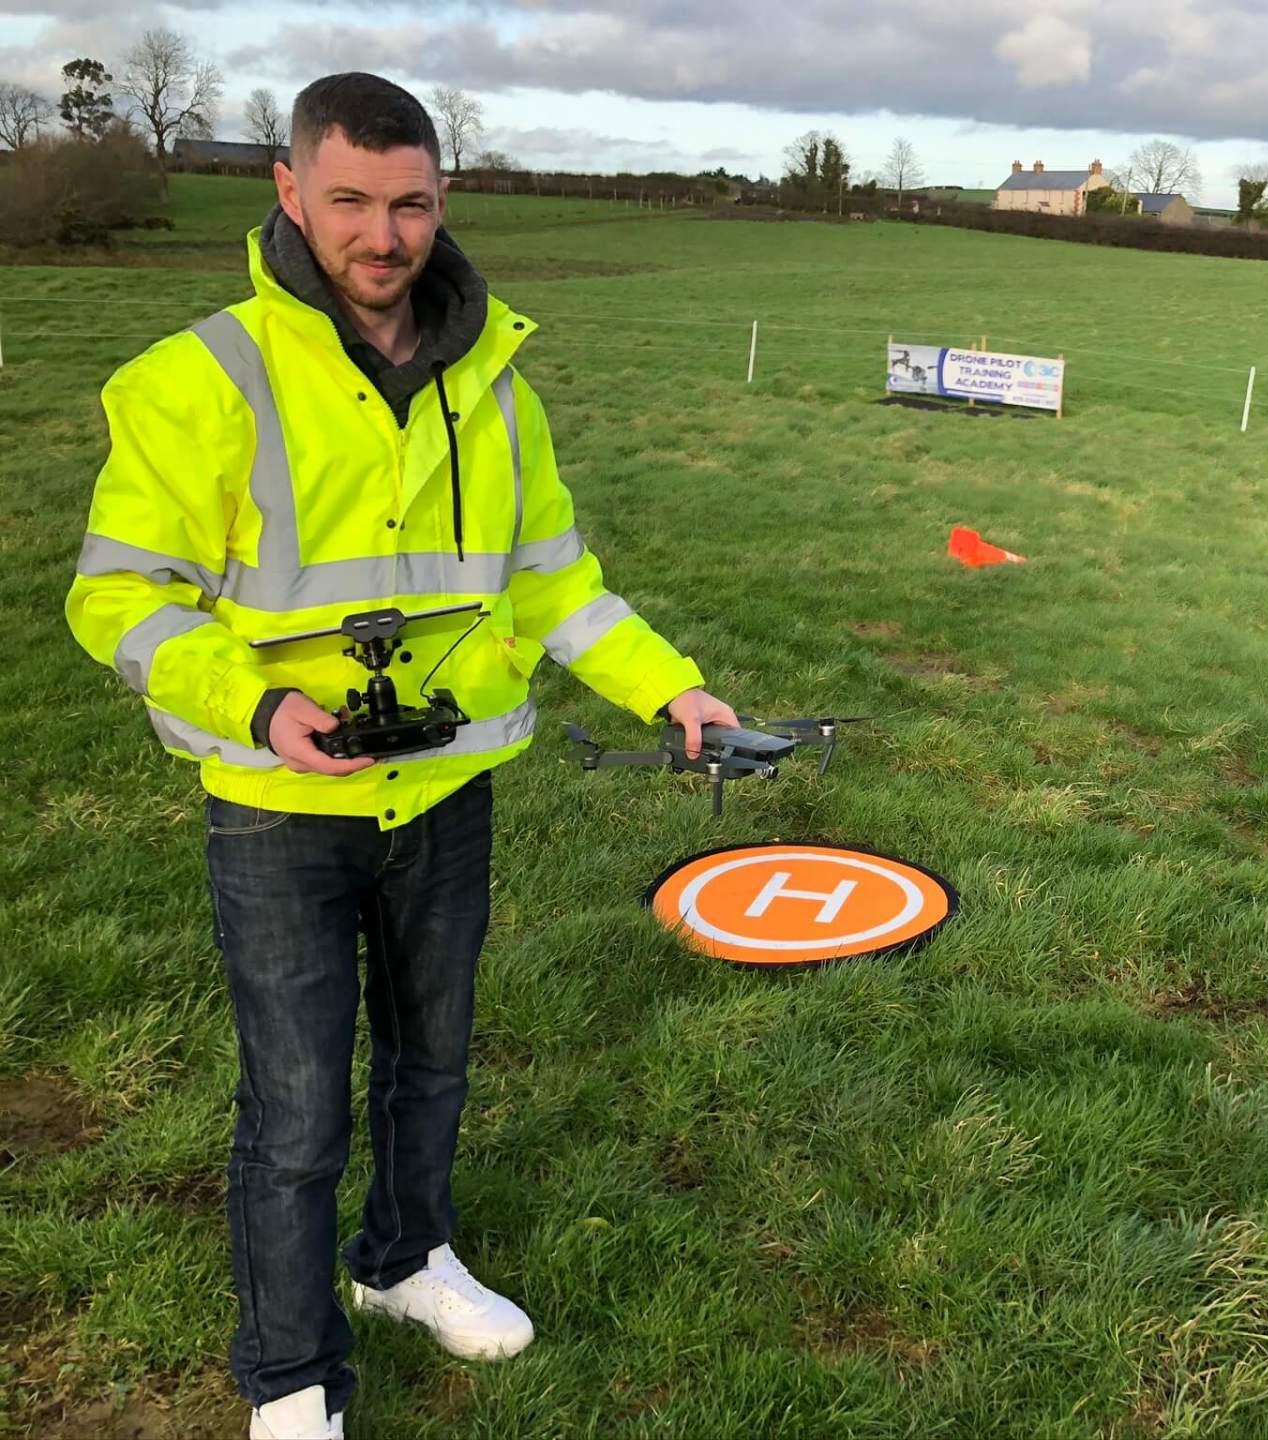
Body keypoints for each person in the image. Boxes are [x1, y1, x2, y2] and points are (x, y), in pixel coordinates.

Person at [65, 72, 736, 1440]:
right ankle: (291, 1377)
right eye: (353, 201)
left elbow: (553, 582)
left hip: (447, 795)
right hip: (277, 806)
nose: (384, 235)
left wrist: (674, 689)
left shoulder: (496, 387)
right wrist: (253, 709)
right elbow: (116, 599)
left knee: (433, 1068)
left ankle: (406, 1260)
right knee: (298, 1110)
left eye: (412, 203)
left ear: (445, 201)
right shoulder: (196, 380)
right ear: (291, 192)